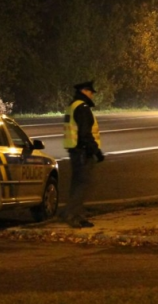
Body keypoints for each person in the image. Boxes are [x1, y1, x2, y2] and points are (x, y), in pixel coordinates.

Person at [61, 80, 105, 228]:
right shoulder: (82, 108)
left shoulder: (73, 106)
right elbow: (85, 133)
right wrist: (96, 151)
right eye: (91, 91)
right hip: (82, 152)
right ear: (85, 91)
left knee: (77, 184)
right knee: (82, 185)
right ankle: (74, 216)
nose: (92, 94)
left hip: (74, 151)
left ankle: (75, 215)